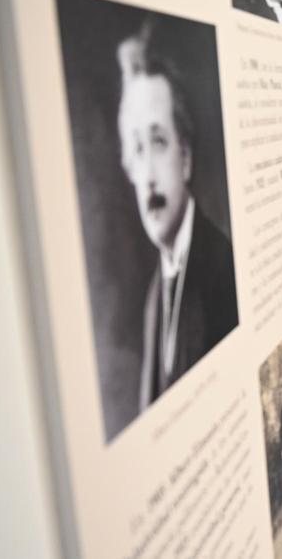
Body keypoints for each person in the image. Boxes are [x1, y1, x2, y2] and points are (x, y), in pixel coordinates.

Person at [115, 22, 239, 413]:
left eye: (158, 141)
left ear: (184, 157)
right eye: (137, 149)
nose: (147, 174)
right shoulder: (155, 296)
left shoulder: (223, 270)